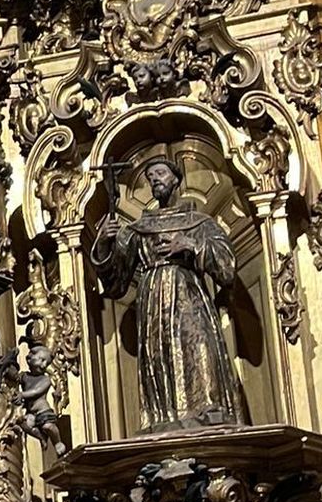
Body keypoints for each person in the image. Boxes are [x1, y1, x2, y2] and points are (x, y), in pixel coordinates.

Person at [93, 155, 246, 433]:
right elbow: (115, 281)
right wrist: (104, 244)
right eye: (150, 177)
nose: (155, 180)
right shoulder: (138, 230)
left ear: (175, 178)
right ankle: (165, 418)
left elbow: (227, 268)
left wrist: (190, 244)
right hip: (154, 304)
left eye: (160, 173)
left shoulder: (199, 221)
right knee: (161, 356)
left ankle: (208, 412)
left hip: (189, 296)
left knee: (199, 351)